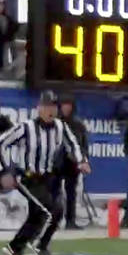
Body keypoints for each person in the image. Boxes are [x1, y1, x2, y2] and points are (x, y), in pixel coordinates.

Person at [0, 91, 91, 255]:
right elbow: (2, 143)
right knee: (48, 209)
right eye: (47, 106)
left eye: (54, 107)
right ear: (39, 108)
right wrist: (6, 170)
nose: (51, 110)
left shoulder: (60, 127)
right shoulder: (26, 127)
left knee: (52, 212)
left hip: (46, 177)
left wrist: (81, 161)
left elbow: (73, 144)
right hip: (27, 176)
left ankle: (32, 246)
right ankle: (20, 246)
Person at [55, 93, 88, 230]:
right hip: (56, 163)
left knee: (71, 193)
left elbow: (83, 145)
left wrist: (83, 160)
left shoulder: (78, 125)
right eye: (64, 105)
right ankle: (54, 221)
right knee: (54, 193)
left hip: (72, 163)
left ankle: (70, 220)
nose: (66, 108)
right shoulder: (54, 123)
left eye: (69, 105)